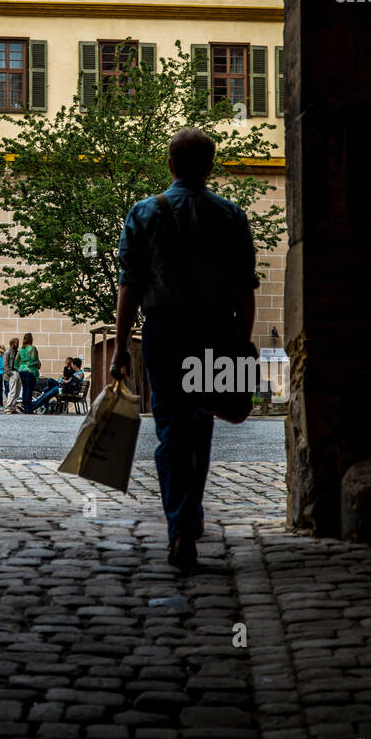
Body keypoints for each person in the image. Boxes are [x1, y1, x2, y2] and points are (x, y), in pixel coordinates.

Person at [111, 126, 259, 572]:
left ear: (170, 164)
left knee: (172, 430)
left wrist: (120, 345)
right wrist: (242, 340)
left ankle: (180, 526)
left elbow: (130, 287)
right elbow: (244, 290)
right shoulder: (230, 216)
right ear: (210, 167)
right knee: (202, 424)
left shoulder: (143, 214)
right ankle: (190, 515)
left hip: (166, 330)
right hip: (214, 329)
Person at [15, 332, 41, 414]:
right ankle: (28, 409)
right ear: (31, 339)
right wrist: (38, 364)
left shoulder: (21, 350)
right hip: (30, 371)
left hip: (22, 370)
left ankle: (25, 407)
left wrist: (20, 367)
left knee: (25, 389)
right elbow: (34, 360)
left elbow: (16, 361)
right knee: (29, 390)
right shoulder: (32, 348)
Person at [3, 337, 20, 411]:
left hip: (17, 372)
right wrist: (10, 374)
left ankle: (13, 407)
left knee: (17, 391)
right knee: (12, 391)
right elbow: (5, 365)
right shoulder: (7, 352)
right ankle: (8, 407)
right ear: (12, 343)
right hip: (12, 372)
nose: (18, 344)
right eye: (16, 343)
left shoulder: (17, 352)